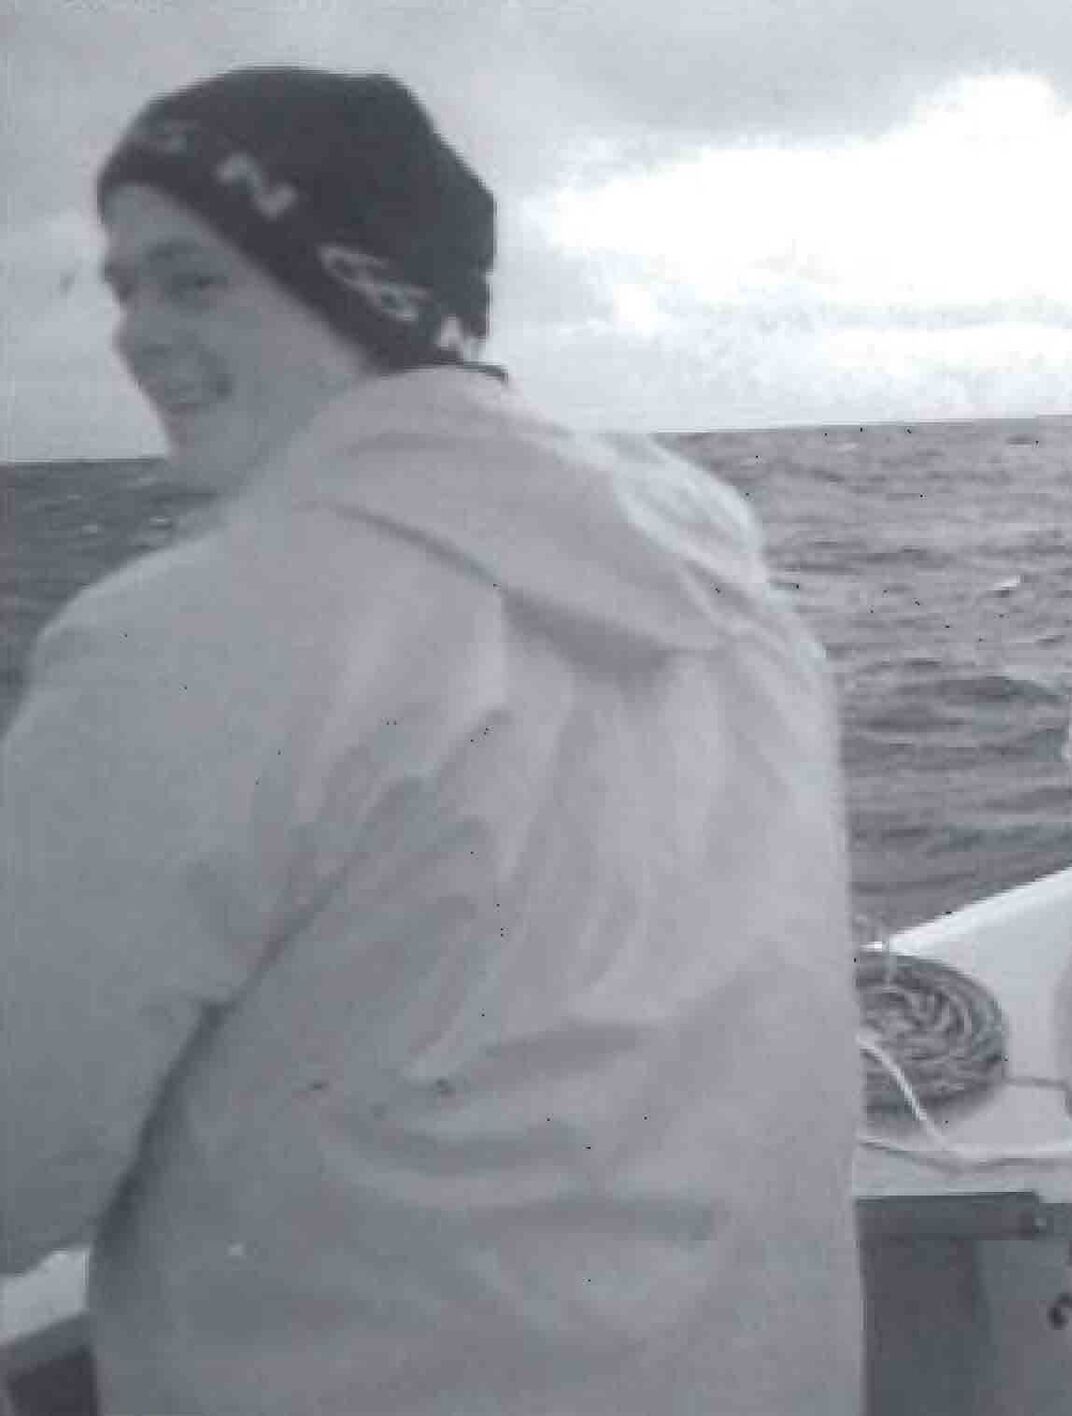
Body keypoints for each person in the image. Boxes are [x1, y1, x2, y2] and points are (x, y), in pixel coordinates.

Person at [0, 67, 863, 1415]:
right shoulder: (736, 605)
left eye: (193, 281)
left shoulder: (186, 639)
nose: (137, 335)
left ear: (359, 288)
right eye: (122, 290)